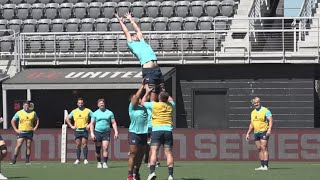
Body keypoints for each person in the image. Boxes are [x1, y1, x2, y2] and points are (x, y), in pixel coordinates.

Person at [116, 12, 165, 101]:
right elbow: (126, 32)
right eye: (133, 35)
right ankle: (151, 113)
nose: (135, 35)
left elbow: (138, 30)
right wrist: (121, 22)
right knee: (152, 92)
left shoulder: (142, 41)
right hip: (149, 70)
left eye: (135, 35)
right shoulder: (131, 44)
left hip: (156, 69)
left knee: (162, 91)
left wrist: (130, 19)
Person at [142, 87, 175, 180]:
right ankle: (170, 176)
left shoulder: (154, 105)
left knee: (154, 152)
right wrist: (164, 91)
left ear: (159, 98)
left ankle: (152, 173)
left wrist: (147, 92)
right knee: (168, 153)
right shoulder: (170, 105)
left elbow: (142, 102)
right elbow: (171, 99)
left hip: (157, 131)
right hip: (168, 131)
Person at [127, 80, 149, 180]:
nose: (139, 99)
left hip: (144, 134)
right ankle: (130, 175)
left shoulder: (144, 107)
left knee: (141, 155)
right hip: (134, 133)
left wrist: (148, 90)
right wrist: (142, 86)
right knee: (133, 154)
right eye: (136, 98)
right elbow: (136, 97)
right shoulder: (132, 107)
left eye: (140, 98)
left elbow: (146, 97)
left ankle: (136, 173)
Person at [245, 97, 273, 170]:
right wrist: (248, 133)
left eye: (257, 102)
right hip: (256, 132)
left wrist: (269, 129)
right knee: (259, 149)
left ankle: (266, 166)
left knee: (264, 148)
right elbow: (252, 124)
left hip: (264, 131)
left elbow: (270, 120)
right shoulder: (253, 112)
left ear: (260, 102)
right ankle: (262, 165)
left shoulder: (265, 110)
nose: (256, 104)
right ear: (253, 104)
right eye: (255, 103)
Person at [90, 99, 119, 168]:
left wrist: (116, 131)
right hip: (97, 132)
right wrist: (92, 133)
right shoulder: (95, 113)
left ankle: (105, 163)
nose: (101, 104)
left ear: (104, 104)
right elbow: (92, 124)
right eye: (100, 103)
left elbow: (113, 122)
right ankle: (99, 162)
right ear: (98, 105)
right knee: (98, 149)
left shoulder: (109, 113)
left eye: (102, 103)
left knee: (105, 147)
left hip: (106, 132)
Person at [66, 98, 93, 165]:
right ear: (77, 104)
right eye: (79, 103)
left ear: (83, 103)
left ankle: (85, 159)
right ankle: (78, 159)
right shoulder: (74, 111)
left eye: (81, 103)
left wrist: (89, 125)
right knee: (78, 145)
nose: (80, 104)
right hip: (77, 130)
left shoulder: (88, 111)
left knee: (84, 144)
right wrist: (71, 126)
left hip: (84, 130)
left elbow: (94, 117)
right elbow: (67, 118)